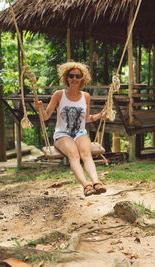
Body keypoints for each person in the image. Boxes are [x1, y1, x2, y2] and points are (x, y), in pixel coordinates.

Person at [34, 62, 107, 197]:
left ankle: (97, 183)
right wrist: (40, 109)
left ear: (82, 79)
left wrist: (100, 115)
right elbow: (45, 117)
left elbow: (86, 118)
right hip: (62, 134)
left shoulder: (85, 96)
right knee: (74, 155)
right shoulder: (59, 95)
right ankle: (86, 186)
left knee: (86, 154)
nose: (74, 79)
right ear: (66, 78)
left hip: (80, 133)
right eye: (71, 75)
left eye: (77, 76)